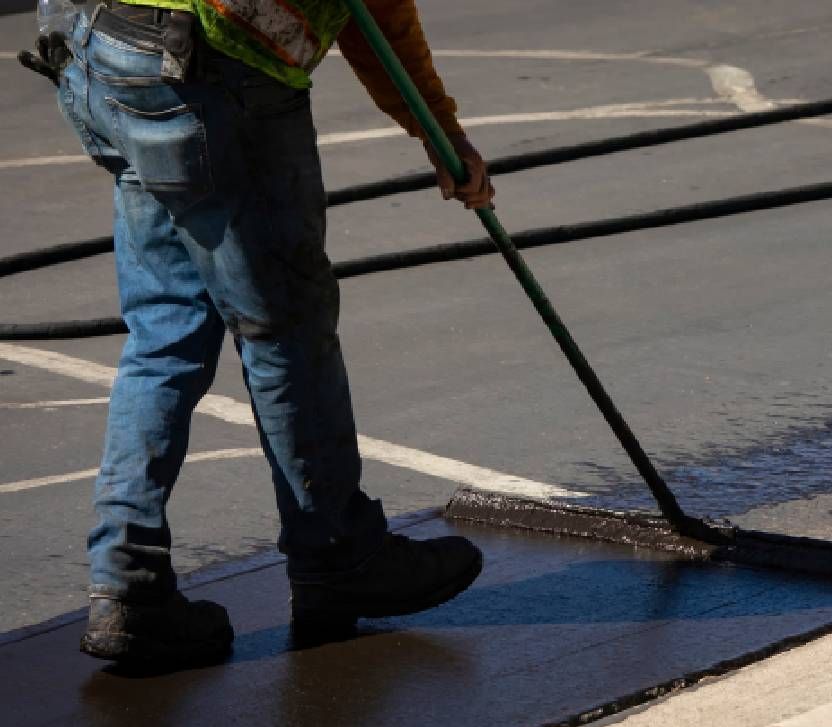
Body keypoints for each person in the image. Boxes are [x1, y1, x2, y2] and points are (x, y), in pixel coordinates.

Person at [19, 0, 493, 665]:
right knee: (284, 330)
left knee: (165, 330)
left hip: (104, 45)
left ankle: (128, 587)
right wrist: (442, 132)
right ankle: (337, 554)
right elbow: (379, 14)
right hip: (214, 68)